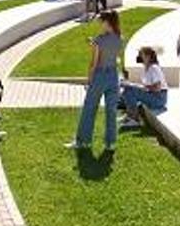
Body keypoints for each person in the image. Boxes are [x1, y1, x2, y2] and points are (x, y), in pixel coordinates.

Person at [67, 9, 122, 151]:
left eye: (101, 21)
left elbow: (94, 62)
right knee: (111, 111)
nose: (99, 23)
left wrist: (89, 80)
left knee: (89, 109)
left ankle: (83, 141)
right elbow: (114, 57)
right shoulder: (119, 38)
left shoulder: (99, 39)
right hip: (113, 76)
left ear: (106, 22)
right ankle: (110, 143)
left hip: (100, 76)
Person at [119, 46, 168, 128]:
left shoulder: (154, 68)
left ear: (148, 56)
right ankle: (130, 116)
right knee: (128, 89)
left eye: (141, 54)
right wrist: (133, 85)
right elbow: (147, 86)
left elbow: (157, 88)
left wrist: (138, 87)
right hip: (154, 96)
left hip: (159, 98)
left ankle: (134, 120)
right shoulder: (148, 68)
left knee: (130, 91)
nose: (139, 56)